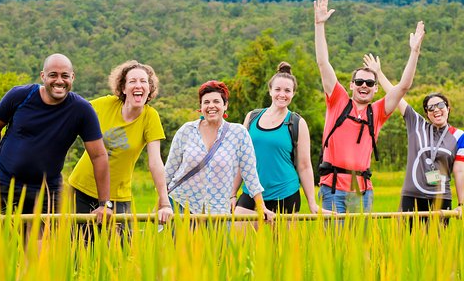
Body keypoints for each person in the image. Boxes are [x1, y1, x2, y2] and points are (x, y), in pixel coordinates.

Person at [313, 0, 424, 214]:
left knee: (359, 245)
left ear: (375, 88)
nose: (364, 85)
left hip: (361, 186)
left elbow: (403, 87)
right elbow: (323, 63)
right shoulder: (338, 101)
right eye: (359, 81)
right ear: (351, 85)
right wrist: (319, 25)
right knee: (333, 245)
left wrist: (415, 51)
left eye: (370, 82)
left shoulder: (378, 112)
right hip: (332, 184)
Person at [0, 54, 111, 222]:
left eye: (65, 76)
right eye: (53, 75)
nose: (59, 81)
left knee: (42, 247)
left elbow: (99, 155)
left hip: (46, 190)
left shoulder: (82, 110)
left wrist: (104, 204)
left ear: (72, 77)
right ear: (43, 76)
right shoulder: (20, 96)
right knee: (0, 245)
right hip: (4, 184)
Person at [68, 60, 173, 238]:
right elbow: (70, 113)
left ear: (149, 88)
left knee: (120, 255)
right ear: (123, 88)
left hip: (118, 196)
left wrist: (165, 203)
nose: (138, 85)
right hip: (82, 189)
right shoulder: (105, 105)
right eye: (132, 81)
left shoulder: (150, 117)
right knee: (77, 253)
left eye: (143, 81)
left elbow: (155, 162)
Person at [363, 54, 464, 226]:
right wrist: (378, 73)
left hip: (441, 198)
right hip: (411, 196)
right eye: (430, 108)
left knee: (437, 246)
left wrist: (462, 204)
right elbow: (395, 94)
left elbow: (459, 170)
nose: (436, 110)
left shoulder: (459, 136)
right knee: (405, 245)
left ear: (448, 108)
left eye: (440, 105)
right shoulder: (417, 124)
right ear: (426, 113)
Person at [164, 80, 275, 222]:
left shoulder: (238, 133)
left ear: (225, 105)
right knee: (179, 245)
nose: (211, 106)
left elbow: (250, 174)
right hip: (181, 204)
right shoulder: (186, 131)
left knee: (219, 245)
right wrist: (163, 204)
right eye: (206, 102)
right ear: (201, 107)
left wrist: (261, 207)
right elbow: (168, 172)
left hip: (218, 210)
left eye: (216, 101)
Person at [233, 62, 326, 215]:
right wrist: (232, 193)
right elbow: (241, 160)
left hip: (285, 194)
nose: (282, 94)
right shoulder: (251, 118)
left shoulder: (297, 123)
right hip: (251, 192)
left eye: (287, 90)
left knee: (283, 240)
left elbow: (304, 166)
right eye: (277, 89)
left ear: (293, 93)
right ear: (270, 91)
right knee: (239, 239)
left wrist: (312, 204)